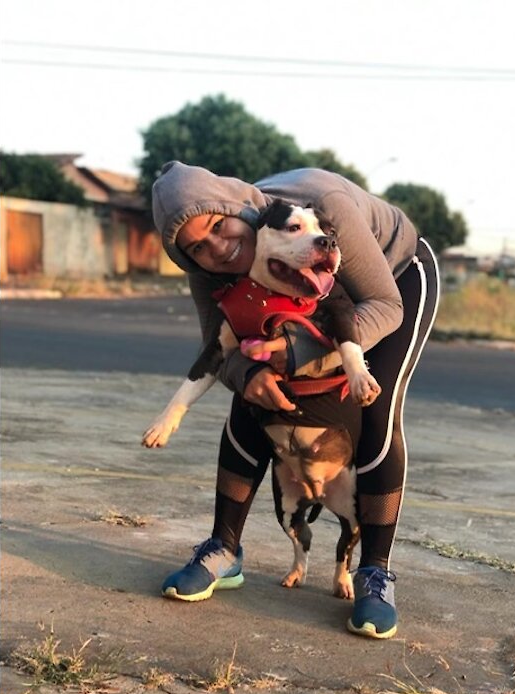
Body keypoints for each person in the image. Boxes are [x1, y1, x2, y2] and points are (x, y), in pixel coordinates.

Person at [150, 161, 440, 639]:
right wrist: (248, 377)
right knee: (252, 400)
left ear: (236, 207)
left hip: (394, 281)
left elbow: (385, 307)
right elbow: (218, 351)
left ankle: (374, 571)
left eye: (221, 227)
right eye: (199, 247)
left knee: (376, 408)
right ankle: (224, 548)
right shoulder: (208, 271)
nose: (218, 249)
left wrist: (299, 354)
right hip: (312, 285)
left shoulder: (320, 209)